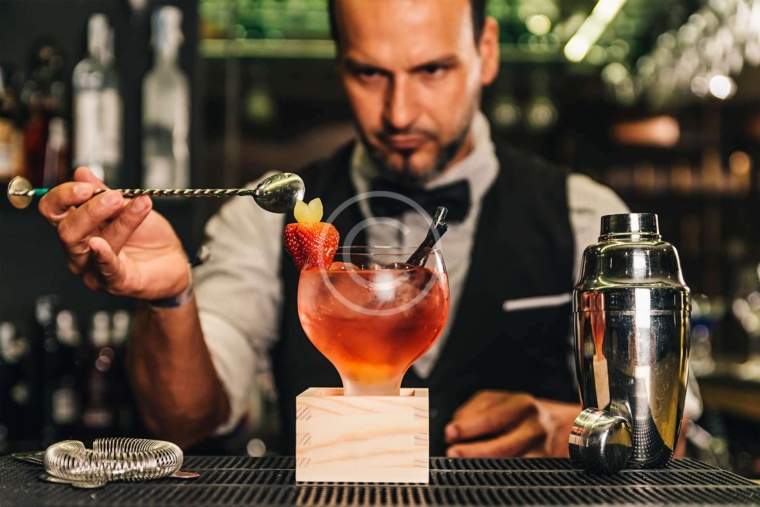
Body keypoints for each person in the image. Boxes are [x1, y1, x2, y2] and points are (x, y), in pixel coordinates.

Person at [38, 0, 700, 457]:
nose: (400, 111)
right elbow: (186, 421)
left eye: (432, 70)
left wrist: (568, 426)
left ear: (486, 52)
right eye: (369, 73)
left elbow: (670, 424)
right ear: (339, 64)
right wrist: (168, 300)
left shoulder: (584, 215)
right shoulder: (263, 220)